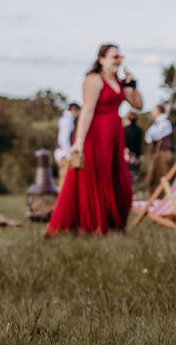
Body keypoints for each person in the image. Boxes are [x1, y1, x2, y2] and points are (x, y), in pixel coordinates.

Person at [46, 44, 141, 236]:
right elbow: (87, 111)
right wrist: (79, 142)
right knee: (97, 179)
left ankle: (115, 223)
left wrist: (132, 86)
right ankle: (93, 226)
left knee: (120, 182)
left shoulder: (119, 81)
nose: (117, 61)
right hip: (96, 133)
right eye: (113, 57)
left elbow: (138, 105)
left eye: (119, 57)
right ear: (101, 59)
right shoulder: (94, 80)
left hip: (115, 133)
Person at [145, 103, 174, 190]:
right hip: (157, 153)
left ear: (158, 111)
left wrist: (150, 137)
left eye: (154, 110)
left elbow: (154, 135)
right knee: (150, 180)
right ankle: (155, 199)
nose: (152, 112)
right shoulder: (156, 123)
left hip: (163, 153)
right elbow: (147, 136)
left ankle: (162, 200)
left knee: (161, 179)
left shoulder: (165, 122)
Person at [54, 101, 80, 178]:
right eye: (78, 112)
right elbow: (63, 139)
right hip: (64, 155)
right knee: (65, 180)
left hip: (62, 154)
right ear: (73, 110)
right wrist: (70, 154)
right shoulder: (67, 120)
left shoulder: (64, 119)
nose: (78, 115)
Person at [123, 110, 143, 191]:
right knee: (134, 178)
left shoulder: (125, 130)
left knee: (126, 177)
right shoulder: (139, 130)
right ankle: (132, 194)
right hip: (138, 157)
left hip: (128, 156)